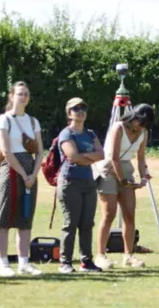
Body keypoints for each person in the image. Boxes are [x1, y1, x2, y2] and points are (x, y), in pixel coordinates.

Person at [94, 103, 155, 269]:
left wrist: (143, 178)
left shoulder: (143, 132)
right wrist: (123, 181)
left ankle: (128, 256)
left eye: (144, 123)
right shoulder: (118, 128)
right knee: (109, 213)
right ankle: (100, 255)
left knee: (129, 214)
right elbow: (114, 158)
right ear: (133, 116)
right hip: (108, 169)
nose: (140, 125)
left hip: (126, 169)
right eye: (139, 121)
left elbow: (141, 159)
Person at [0, 81, 45, 277]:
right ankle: (3, 263)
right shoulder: (4, 119)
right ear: (11, 96)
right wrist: (24, 175)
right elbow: (6, 151)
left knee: (25, 217)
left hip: (30, 170)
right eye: (20, 93)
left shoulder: (33, 121)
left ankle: (24, 262)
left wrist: (34, 173)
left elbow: (39, 151)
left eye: (26, 94)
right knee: (4, 217)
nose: (23, 97)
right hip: (12, 170)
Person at [56, 97, 105, 273]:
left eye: (83, 107)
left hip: (88, 182)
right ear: (69, 113)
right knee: (71, 223)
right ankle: (65, 262)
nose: (81, 111)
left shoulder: (90, 134)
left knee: (87, 224)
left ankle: (86, 262)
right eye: (76, 108)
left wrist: (84, 155)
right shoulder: (67, 134)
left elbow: (101, 154)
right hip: (70, 183)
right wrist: (89, 156)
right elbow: (73, 157)